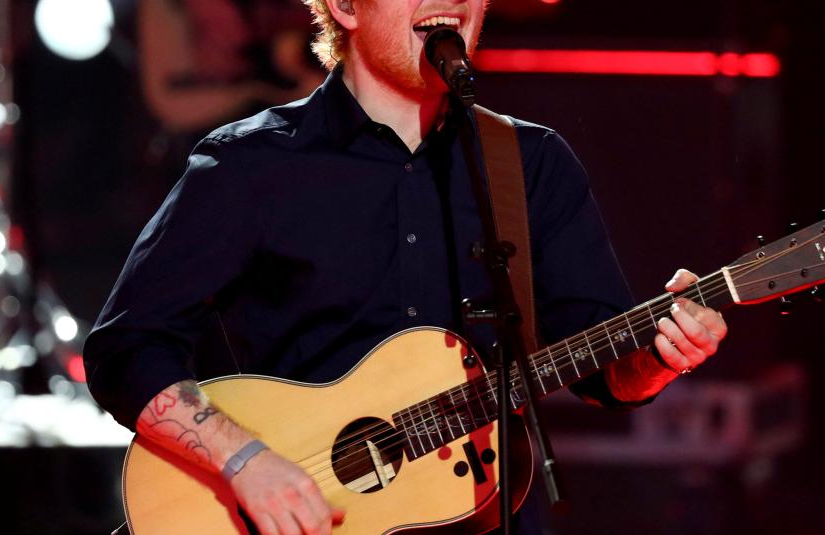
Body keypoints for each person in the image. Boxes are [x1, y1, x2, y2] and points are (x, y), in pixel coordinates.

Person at [83, 1, 729, 534]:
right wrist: (245, 460)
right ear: (344, 7)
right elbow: (127, 348)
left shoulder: (531, 164)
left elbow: (607, 370)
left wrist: (659, 357)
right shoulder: (249, 165)